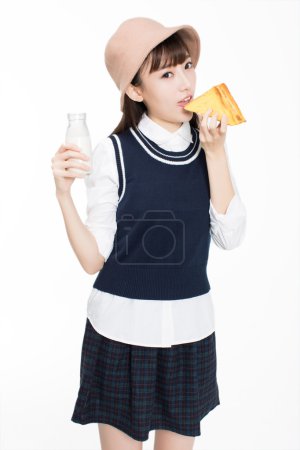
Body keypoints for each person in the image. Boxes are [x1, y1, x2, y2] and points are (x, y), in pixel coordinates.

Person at [51, 17, 247, 450]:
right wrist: (64, 194)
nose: (186, 84)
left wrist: (217, 154)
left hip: (189, 336)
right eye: (167, 73)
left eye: (188, 66)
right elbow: (93, 260)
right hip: (120, 337)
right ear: (135, 90)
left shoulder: (208, 144)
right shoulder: (113, 153)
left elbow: (231, 236)